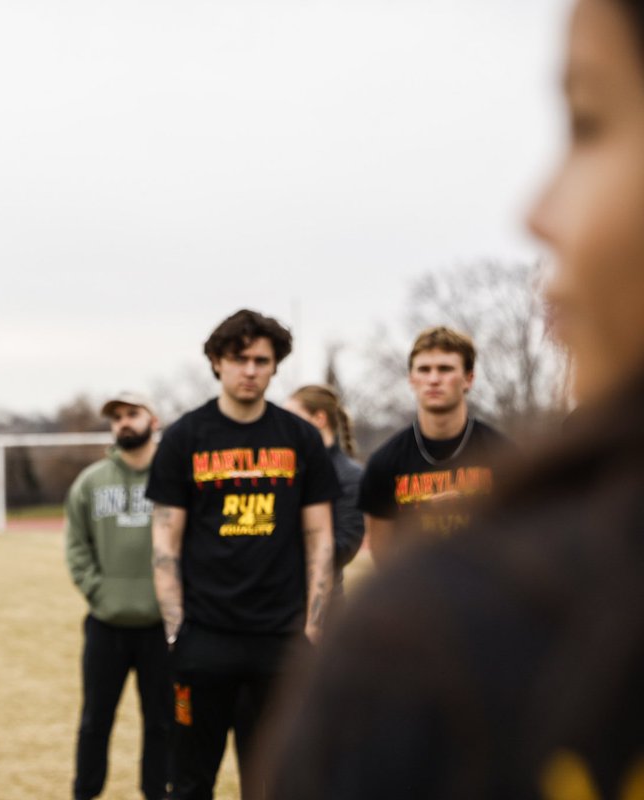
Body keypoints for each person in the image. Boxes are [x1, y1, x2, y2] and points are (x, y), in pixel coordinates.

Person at [263, 1, 644, 797]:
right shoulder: (437, 611)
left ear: (467, 378)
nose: (536, 213)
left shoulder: (445, 645)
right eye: (423, 370)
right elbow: (386, 544)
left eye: (591, 122)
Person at [146, 309, 338, 800]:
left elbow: (320, 537)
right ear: (216, 362)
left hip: (282, 640)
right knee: (190, 782)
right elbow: (165, 543)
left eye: (261, 360)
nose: (250, 369)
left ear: (275, 366)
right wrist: (175, 628)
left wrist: (313, 626)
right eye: (238, 359)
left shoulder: (301, 438)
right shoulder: (185, 438)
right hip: (204, 640)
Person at [65, 391, 170, 800]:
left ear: (153, 420)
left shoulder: (174, 479)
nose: (124, 422)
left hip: (162, 627)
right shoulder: (91, 482)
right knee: (95, 722)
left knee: (163, 723)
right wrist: (99, 591)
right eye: (117, 417)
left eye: (133, 414)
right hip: (106, 625)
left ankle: (157, 793)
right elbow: (76, 546)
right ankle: (85, 793)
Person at [357, 326, 514, 565]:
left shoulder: (503, 454)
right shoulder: (385, 462)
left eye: (445, 369)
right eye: (424, 369)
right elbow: (383, 554)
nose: (433, 379)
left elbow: (525, 537)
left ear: (468, 379)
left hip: (490, 595)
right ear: (412, 379)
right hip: (416, 597)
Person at [285, 384, 365, 603]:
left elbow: (343, 549)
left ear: (319, 419)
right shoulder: (284, 471)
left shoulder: (351, 476)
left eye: (292, 419)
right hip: (273, 608)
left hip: (325, 608)